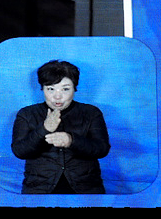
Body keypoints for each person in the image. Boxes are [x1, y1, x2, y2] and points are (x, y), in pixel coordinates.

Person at [11, 60, 109, 194]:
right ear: (42, 88)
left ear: (75, 88)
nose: (57, 96)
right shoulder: (27, 114)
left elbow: (102, 149)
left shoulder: (91, 113)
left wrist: (71, 141)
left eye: (65, 89)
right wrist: (44, 129)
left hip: (86, 188)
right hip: (39, 189)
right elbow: (19, 151)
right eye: (50, 89)